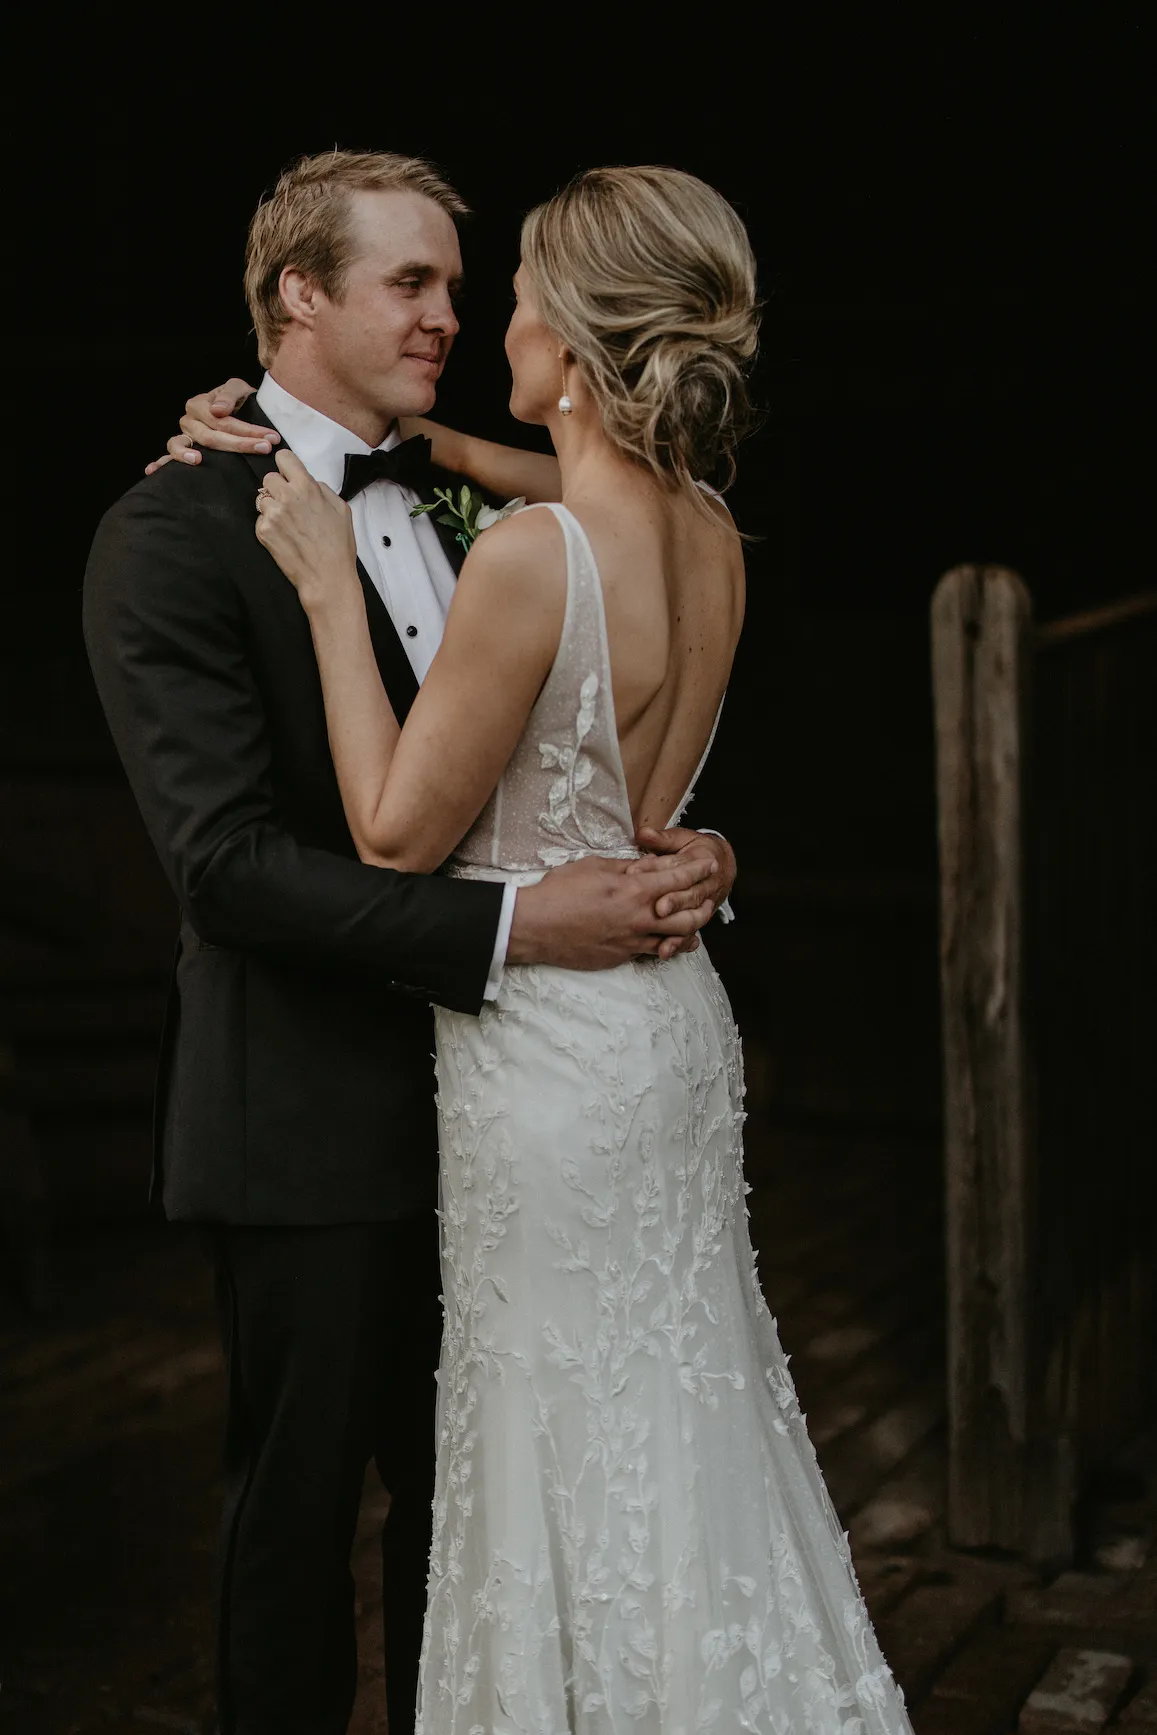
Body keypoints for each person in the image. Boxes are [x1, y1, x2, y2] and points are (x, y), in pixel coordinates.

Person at [247, 162, 913, 1731]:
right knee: (683, 1417)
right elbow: (537, 475)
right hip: (671, 1027)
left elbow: (400, 836)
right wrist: (427, 448)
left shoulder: (530, 563)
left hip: (551, 1051)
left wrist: (338, 599)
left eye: (531, 292)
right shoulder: (711, 537)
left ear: (590, 340)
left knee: (557, 1439)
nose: (502, 318)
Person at [83, 150, 735, 1735]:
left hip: (518, 1128)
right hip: (311, 1122)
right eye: (411, 283)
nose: (450, 312)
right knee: (293, 1534)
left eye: (465, 284)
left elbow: (590, 725)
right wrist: (517, 922)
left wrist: (694, 848)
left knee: (488, 1531)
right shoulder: (172, 535)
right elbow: (229, 868)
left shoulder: (483, 498)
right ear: (297, 297)